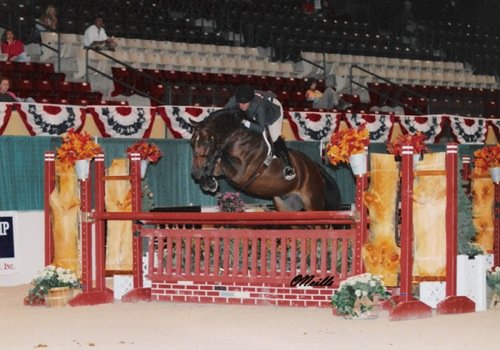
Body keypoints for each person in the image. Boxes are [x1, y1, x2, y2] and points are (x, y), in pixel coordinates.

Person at [225, 84, 296, 181]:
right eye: (240, 103)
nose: (241, 106)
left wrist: (244, 121)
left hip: (272, 111)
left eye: (244, 103)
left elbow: (260, 129)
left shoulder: (260, 106)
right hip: (253, 111)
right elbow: (223, 115)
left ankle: (288, 167)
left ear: (250, 101)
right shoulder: (234, 100)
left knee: (275, 136)